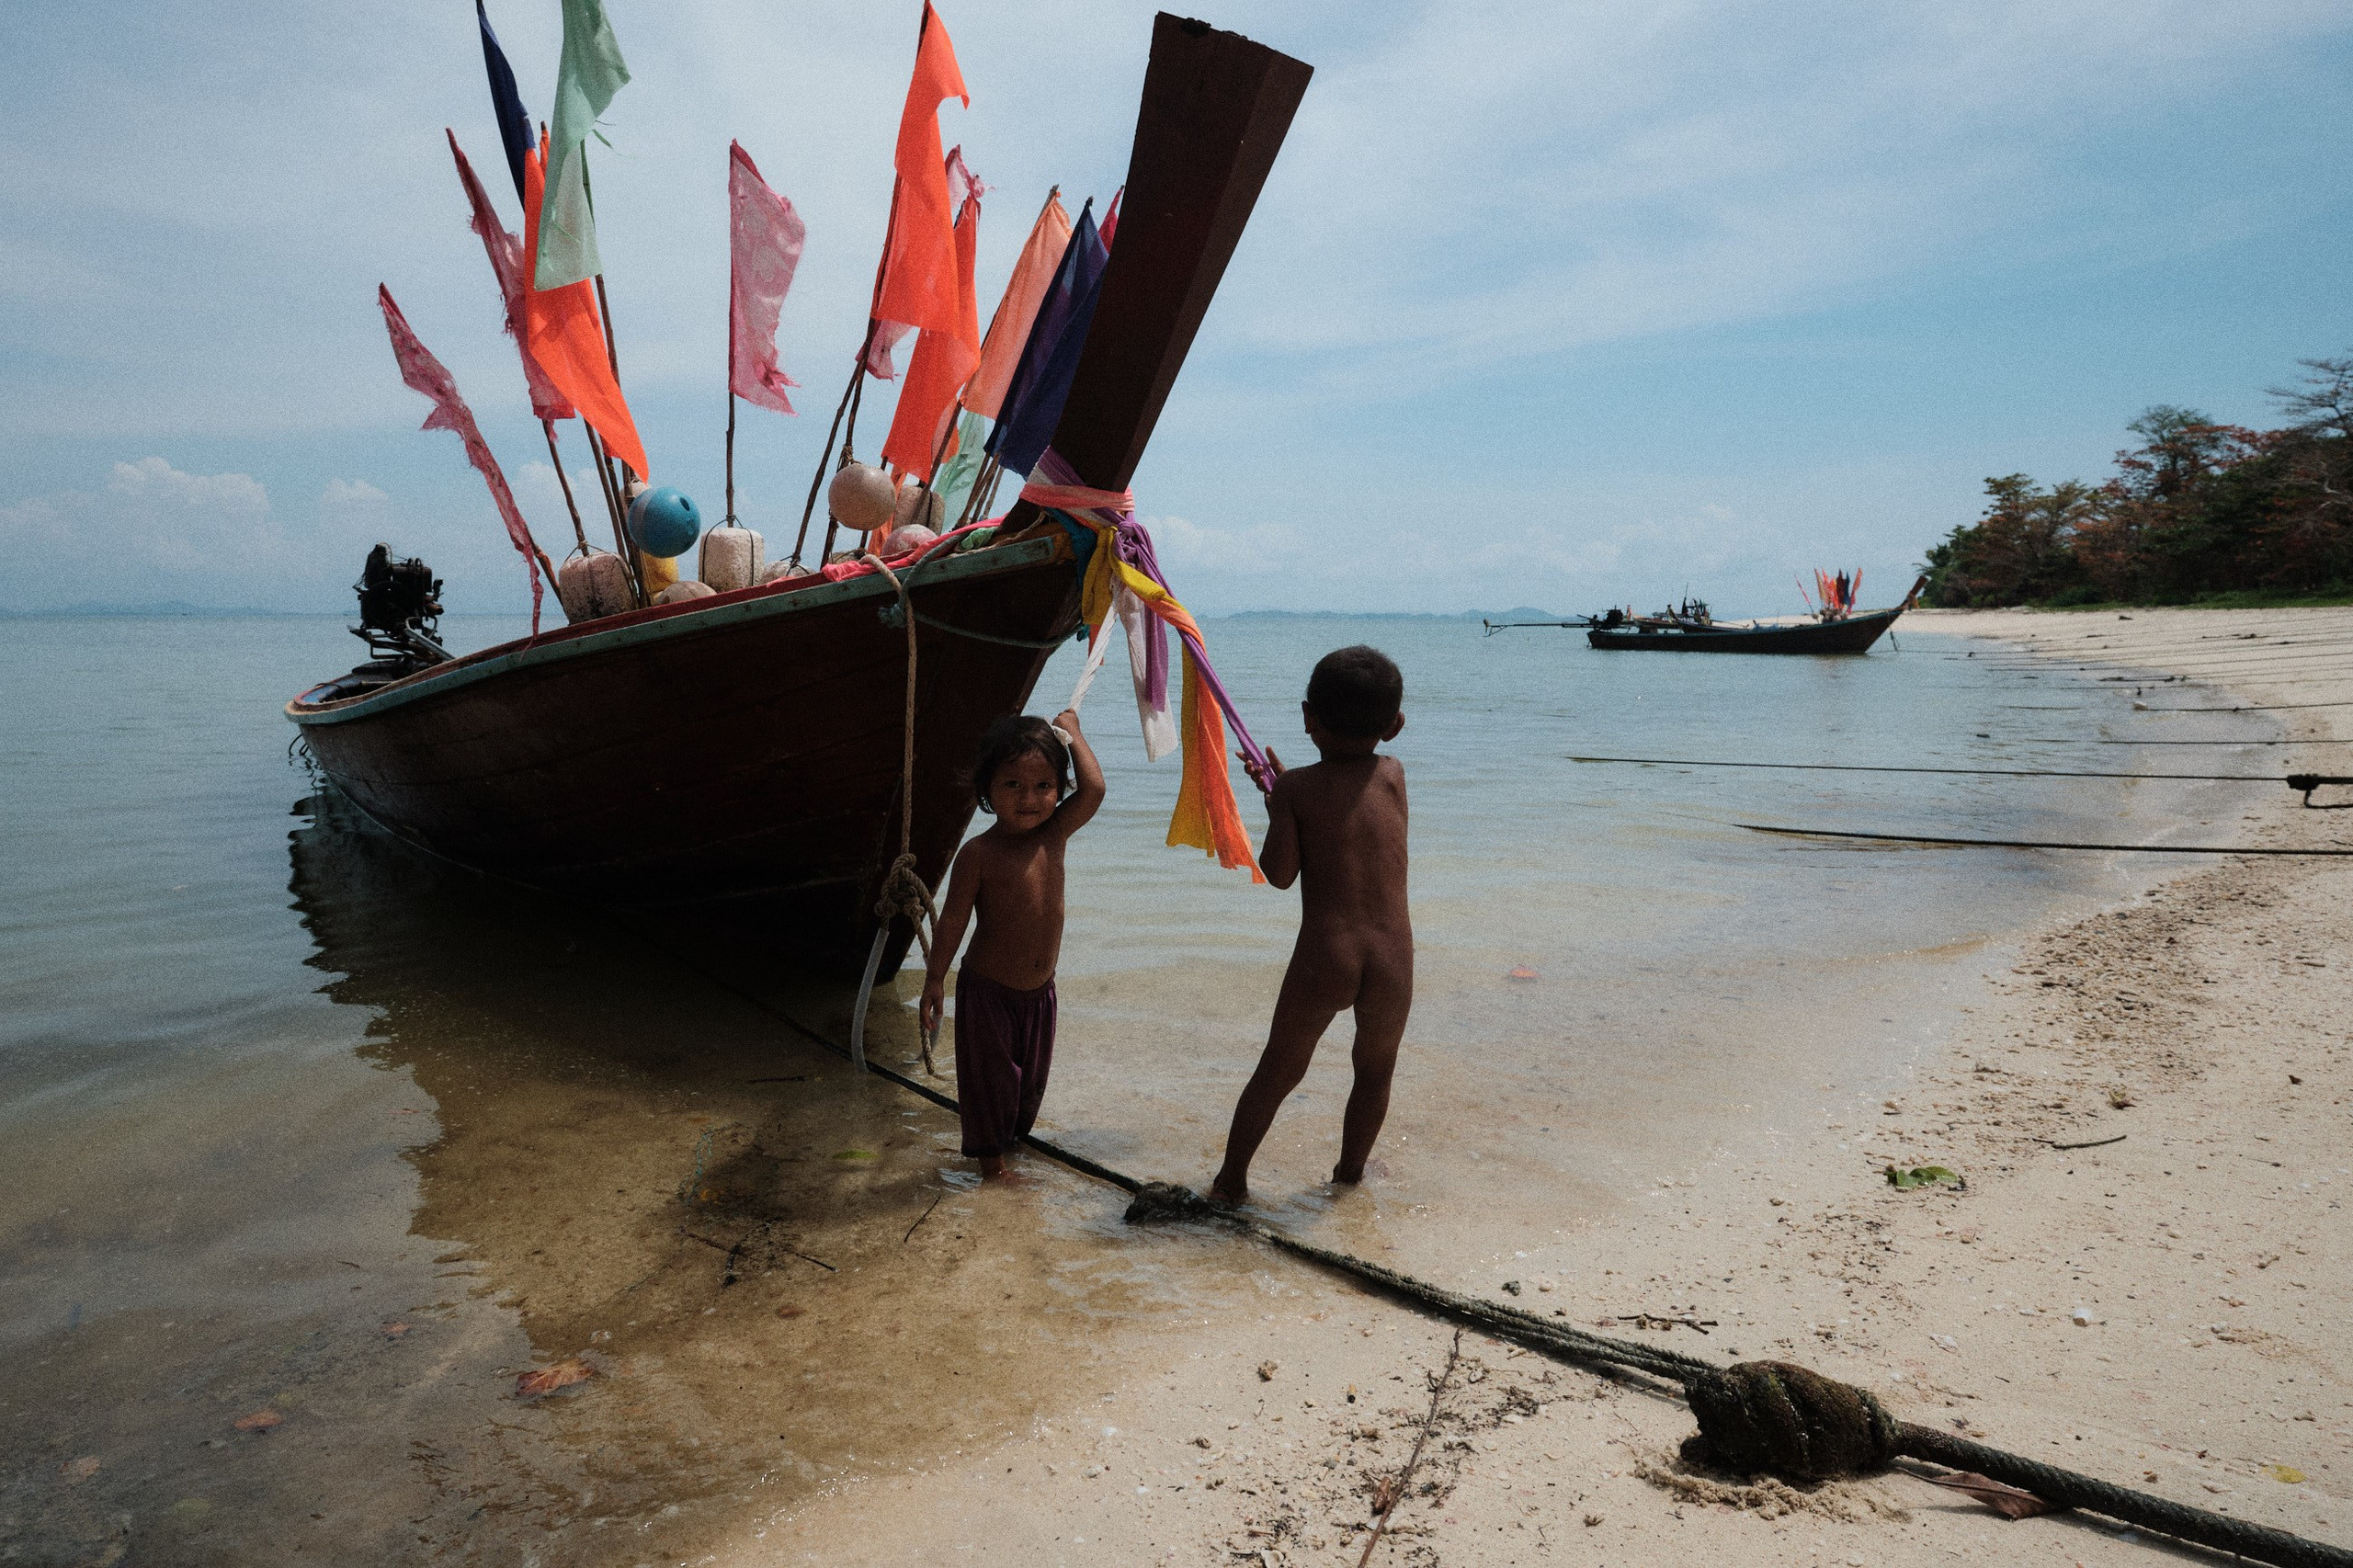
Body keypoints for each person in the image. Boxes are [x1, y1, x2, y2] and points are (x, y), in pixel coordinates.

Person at [1210, 646, 1410, 1204]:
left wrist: (1278, 805)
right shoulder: (1394, 774)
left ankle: (1231, 1182)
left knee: (1280, 1068)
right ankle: (1349, 1176)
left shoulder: (1295, 789)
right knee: (1374, 1070)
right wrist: (1287, 794)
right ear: (1395, 726)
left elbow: (1278, 874)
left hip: (1329, 952)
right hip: (1394, 957)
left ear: (1307, 719)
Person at [921, 710, 1104, 1180]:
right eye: (1013, 786)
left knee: (1028, 1087)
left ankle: (1009, 1146)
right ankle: (992, 1168)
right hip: (990, 994)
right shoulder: (979, 854)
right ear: (987, 792)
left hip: (1040, 994)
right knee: (990, 1086)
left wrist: (1074, 734)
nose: (1030, 799)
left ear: (1059, 788)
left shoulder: (1055, 833)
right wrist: (935, 980)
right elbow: (955, 920)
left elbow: (1095, 789)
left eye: (1044, 785)